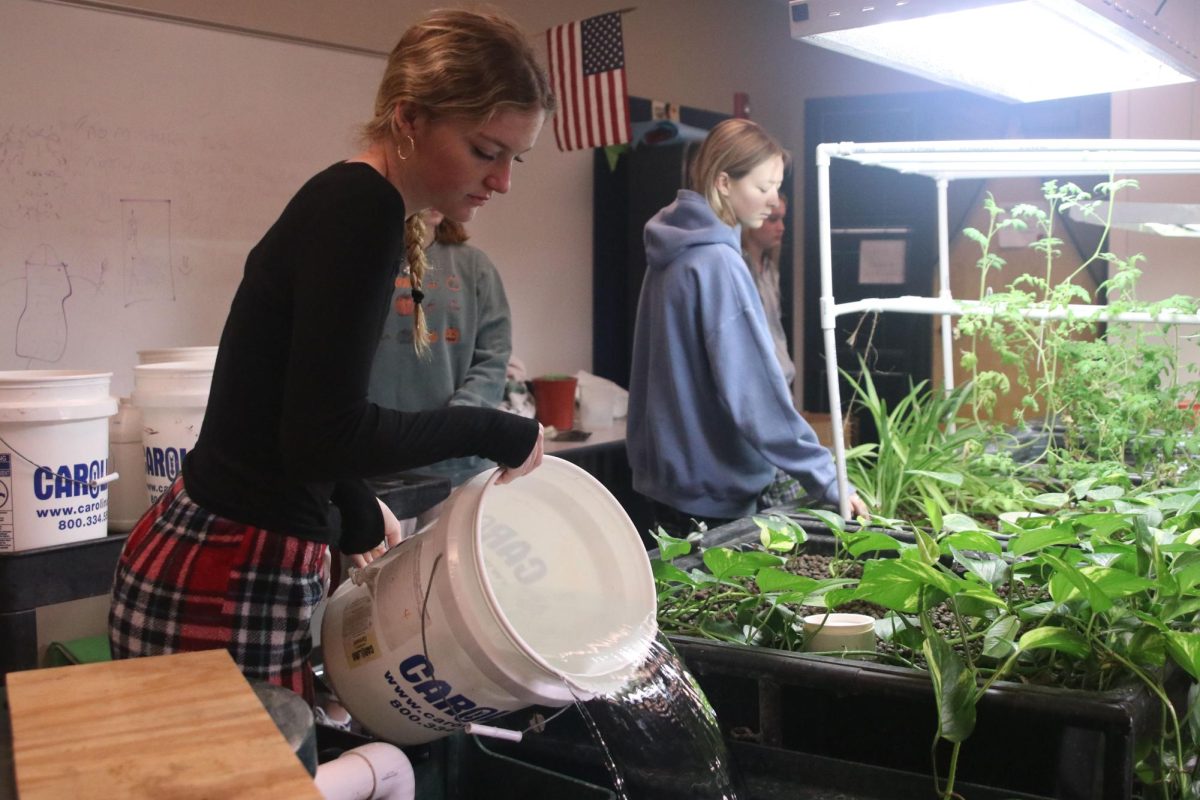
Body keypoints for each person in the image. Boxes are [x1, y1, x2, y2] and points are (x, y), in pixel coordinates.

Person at [108, 8, 555, 704]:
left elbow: (286, 412)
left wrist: (350, 501)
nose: (501, 182)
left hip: (206, 544)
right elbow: (325, 434)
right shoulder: (362, 210)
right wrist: (491, 427)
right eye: (484, 150)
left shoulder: (352, 199)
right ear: (409, 118)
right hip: (230, 565)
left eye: (514, 159)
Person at [626, 118, 868, 536]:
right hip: (712, 492)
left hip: (665, 484)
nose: (773, 202)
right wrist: (828, 479)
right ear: (723, 182)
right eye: (762, 187)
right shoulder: (719, 263)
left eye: (776, 187)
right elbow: (755, 392)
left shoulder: (671, 253)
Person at [368, 208, 512, 528]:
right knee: (372, 576)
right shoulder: (364, 263)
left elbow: (493, 358)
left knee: (451, 573)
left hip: (458, 469)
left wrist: (456, 426)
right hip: (376, 471)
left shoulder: (474, 267)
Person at [743, 191, 802, 508]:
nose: (781, 227)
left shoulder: (770, 269)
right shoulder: (737, 268)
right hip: (758, 392)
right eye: (773, 218)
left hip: (780, 384)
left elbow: (775, 332)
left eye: (783, 219)